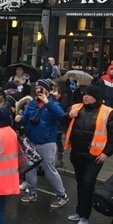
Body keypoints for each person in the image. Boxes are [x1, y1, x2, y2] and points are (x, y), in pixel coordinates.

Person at [62, 85, 113, 224]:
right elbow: (61, 124)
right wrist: (68, 116)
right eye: (84, 94)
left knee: (88, 183)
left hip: (95, 156)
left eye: (89, 95)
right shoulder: (75, 108)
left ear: (96, 97)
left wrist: (106, 153)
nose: (85, 97)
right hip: (77, 154)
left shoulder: (108, 112)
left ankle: (84, 215)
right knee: (81, 183)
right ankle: (79, 211)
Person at [16, 79, 69, 208]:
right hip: (31, 141)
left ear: (47, 89)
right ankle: (32, 192)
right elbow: (26, 118)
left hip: (46, 142)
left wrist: (47, 102)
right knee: (29, 168)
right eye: (37, 87)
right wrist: (20, 119)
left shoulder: (53, 103)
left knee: (49, 169)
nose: (38, 90)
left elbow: (61, 116)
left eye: (41, 87)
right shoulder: (32, 104)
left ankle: (61, 195)